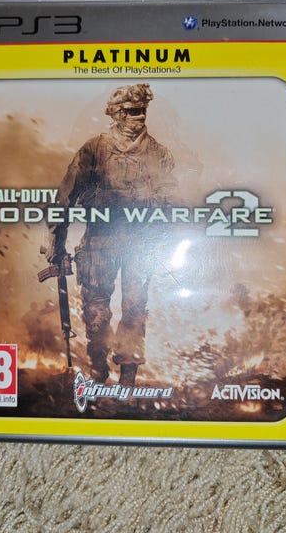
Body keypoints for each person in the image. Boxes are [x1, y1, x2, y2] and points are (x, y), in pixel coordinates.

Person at [48, 84, 176, 385]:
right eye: (132, 111)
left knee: (134, 310)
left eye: (142, 110)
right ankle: (98, 367)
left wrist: (164, 242)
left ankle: (128, 374)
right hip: (99, 243)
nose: (139, 117)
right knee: (95, 310)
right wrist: (56, 242)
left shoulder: (159, 154)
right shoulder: (94, 150)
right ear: (117, 114)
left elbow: (171, 203)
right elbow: (65, 197)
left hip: (139, 245)